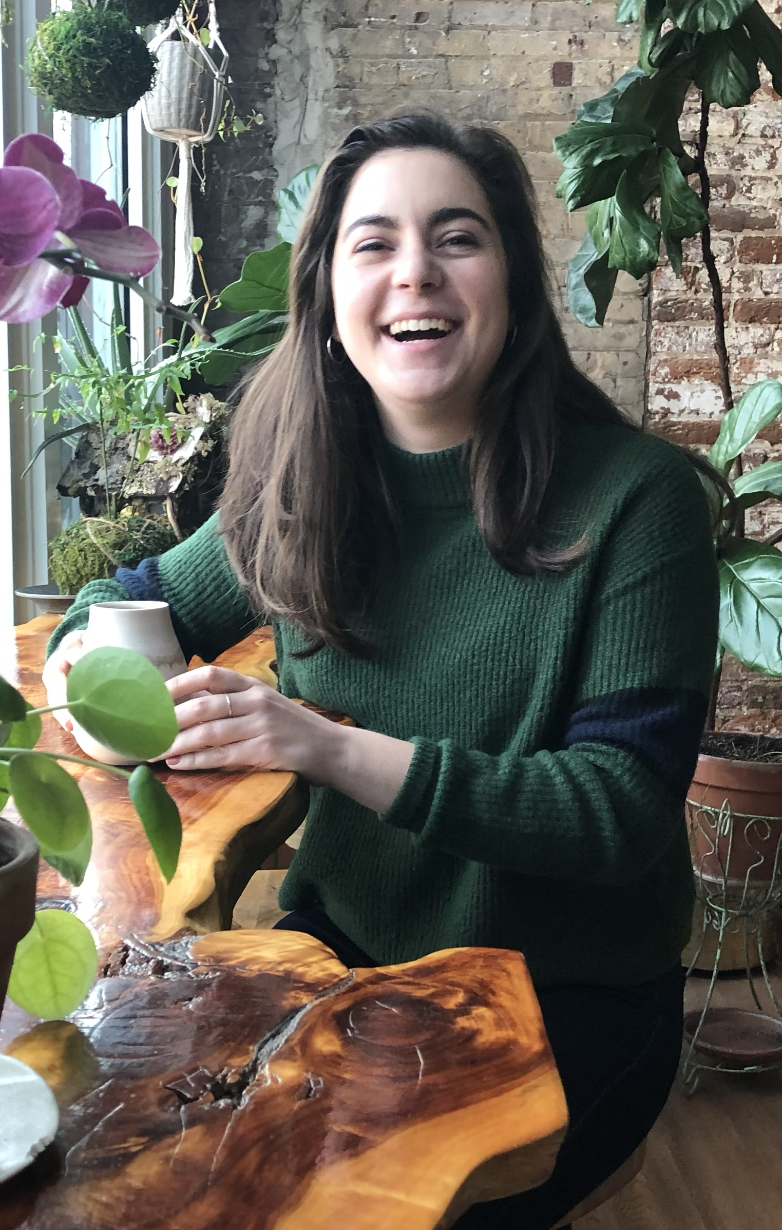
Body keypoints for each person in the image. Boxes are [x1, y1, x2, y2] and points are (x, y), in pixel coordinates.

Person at [45, 111, 719, 1228]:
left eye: (457, 238)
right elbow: (131, 597)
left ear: (512, 281)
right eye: (374, 244)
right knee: (116, 1152)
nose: (415, 272)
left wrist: (323, 747)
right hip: (343, 963)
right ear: (326, 297)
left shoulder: (637, 500)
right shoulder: (304, 483)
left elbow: (618, 812)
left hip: (560, 998)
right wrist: (95, 665)